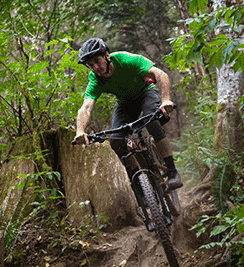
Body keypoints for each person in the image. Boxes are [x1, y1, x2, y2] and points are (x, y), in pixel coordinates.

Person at [71, 38, 183, 191]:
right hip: (125, 103)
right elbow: (86, 107)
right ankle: (139, 179)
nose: (96, 67)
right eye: (91, 65)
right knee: (116, 140)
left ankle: (172, 171)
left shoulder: (126, 60)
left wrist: (165, 100)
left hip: (145, 92)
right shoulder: (95, 80)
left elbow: (160, 74)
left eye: (97, 61)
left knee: (152, 123)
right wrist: (80, 131)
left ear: (107, 55)